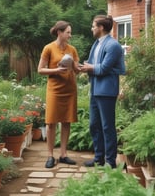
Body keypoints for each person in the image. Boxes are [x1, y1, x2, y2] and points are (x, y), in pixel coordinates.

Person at [80, 15, 125, 168]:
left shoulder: (113, 45)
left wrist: (89, 67)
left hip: (106, 91)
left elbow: (104, 68)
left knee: (107, 126)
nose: (91, 28)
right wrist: (83, 66)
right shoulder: (97, 44)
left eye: (93, 26)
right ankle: (98, 158)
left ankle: (110, 161)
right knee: (94, 125)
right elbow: (93, 64)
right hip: (95, 90)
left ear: (101, 27)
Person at [37, 20, 80, 168]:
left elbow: (76, 70)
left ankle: (63, 154)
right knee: (51, 122)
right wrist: (56, 70)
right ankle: (50, 156)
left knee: (66, 122)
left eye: (70, 32)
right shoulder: (48, 48)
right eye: (68, 32)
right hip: (54, 89)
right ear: (59, 32)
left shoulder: (72, 49)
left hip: (70, 89)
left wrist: (76, 66)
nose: (70, 35)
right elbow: (40, 70)